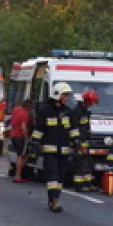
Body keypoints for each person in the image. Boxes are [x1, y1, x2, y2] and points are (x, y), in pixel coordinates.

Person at [29, 82, 78, 212]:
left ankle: (53, 199)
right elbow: (39, 129)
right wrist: (34, 145)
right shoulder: (45, 111)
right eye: (65, 95)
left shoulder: (68, 111)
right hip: (50, 151)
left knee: (60, 178)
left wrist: (77, 141)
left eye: (67, 95)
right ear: (57, 95)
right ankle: (55, 201)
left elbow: (73, 129)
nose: (67, 98)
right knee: (52, 176)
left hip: (64, 151)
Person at [71, 89, 99, 192]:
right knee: (79, 165)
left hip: (85, 142)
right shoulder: (76, 111)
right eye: (92, 102)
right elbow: (73, 128)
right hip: (78, 143)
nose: (92, 104)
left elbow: (85, 127)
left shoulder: (85, 111)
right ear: (87, 100)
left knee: (87, 163)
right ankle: (79, 186)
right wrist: (78, 144)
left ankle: (88, 184)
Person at [10, 99, 32, 183]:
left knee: (23, 155)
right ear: (28, 107)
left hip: (13, 135)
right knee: (21, 156)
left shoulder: (16, 110)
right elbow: (23, 126)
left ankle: (17, 174)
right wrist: (26, 137)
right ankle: (17, 176)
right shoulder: (25, 114)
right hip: (20, 137)